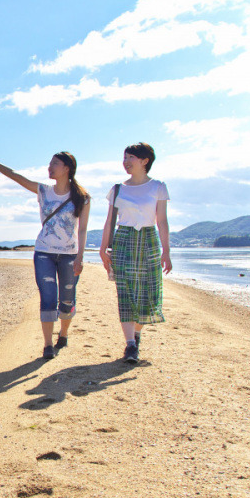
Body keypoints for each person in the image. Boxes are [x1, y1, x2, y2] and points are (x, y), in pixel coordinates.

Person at [0, 150, 91, 359]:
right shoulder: (43, 191)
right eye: (49, 163)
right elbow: (14, 175)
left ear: (67, 168)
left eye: (54, 163)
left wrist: (80, 257)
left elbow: (82, 230)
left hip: (69, 255)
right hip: (44, 251)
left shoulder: (82, 197)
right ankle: (47, 345)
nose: (49, 167)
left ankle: (63, 334)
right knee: (47, 298)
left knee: (67, 300)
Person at [98, 142, 171, 364]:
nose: (126, 162)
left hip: (149, 240)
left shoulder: (158, 186)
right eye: (124, 157)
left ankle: (136, 334)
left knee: (147, 295)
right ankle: (130, 345)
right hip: (123, 241)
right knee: (126, 294)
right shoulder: (118, 188)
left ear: (144, 161)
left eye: (131, 157)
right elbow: (109, 221)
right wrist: (102, 250)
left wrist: (166, 251)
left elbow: (162, 221)